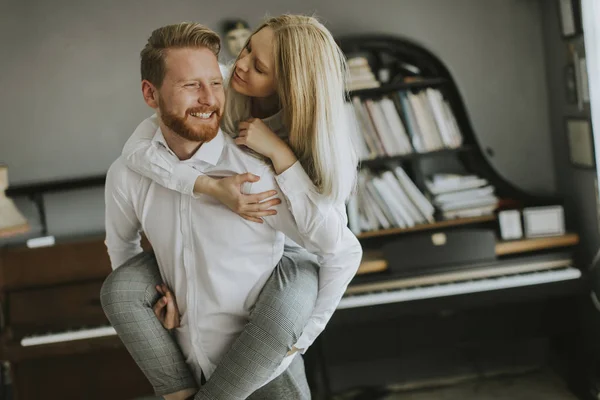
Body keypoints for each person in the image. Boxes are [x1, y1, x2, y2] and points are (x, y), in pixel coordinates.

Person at [101, 17, 361, 400]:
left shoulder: (264, 169)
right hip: (195, 352)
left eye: (258, 67)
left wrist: (297, 344)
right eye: (246, 50)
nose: (239, 67)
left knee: (287, 303)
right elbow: (136, 154)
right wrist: (207, 187)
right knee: (120, 289)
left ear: (287, 87)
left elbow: (338, 248)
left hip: (290, 271)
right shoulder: (137, 167)